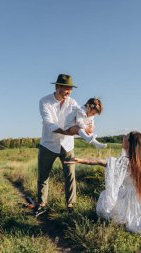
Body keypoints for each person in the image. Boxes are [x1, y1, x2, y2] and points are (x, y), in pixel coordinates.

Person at [66, 131, 141, 235]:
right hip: (139, 195)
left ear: (130, 143)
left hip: (128, 196)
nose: (123, 137)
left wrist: (79, 160)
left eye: (126, 137)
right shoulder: (140, 160)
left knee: (110, 204)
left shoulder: (125, 162)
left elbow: (100, 161)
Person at [35, 74, 88, 216]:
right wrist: (69, 132)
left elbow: (81, 117)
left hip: (67, 146)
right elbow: (50, 123)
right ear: (58, 87)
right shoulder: (44, 102)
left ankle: (71, 206)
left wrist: (87, 123)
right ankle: (42, 204)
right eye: (66, 89)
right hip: (48, 144)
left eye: (70, 89)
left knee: (70, 176)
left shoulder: (73, 103)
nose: (68, 92)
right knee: (43, 175)